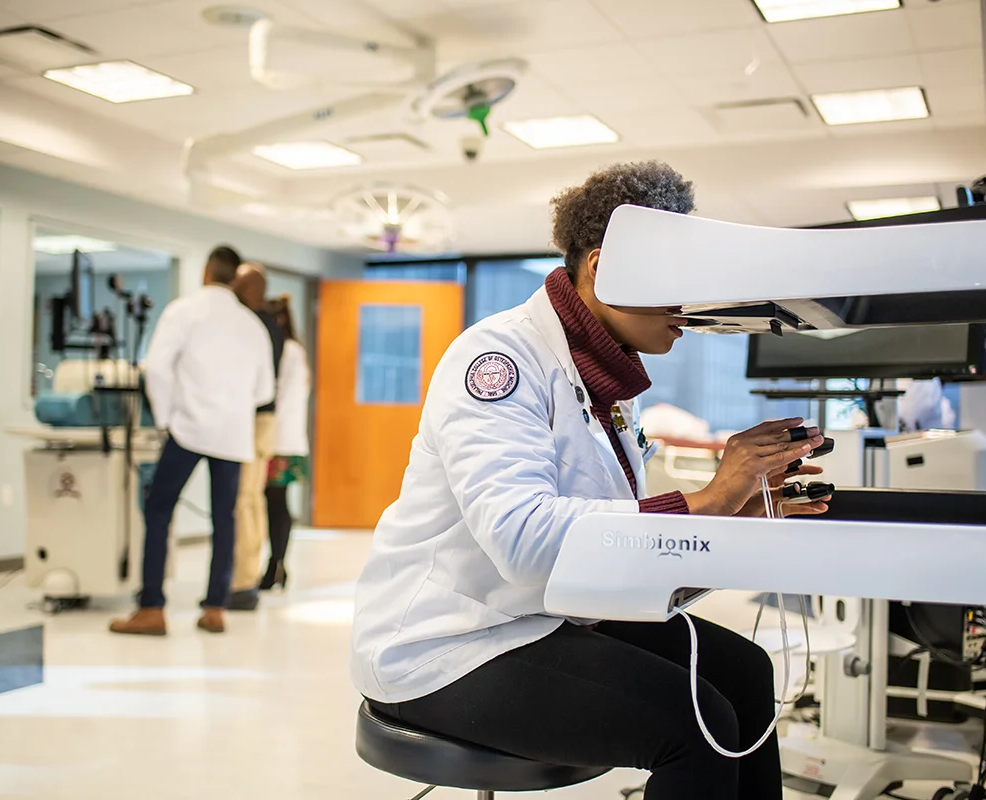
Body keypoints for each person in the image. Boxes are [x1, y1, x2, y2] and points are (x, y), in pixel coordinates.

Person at [350, 162, 830, 800]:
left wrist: (734, 520)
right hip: (448, 643)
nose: (688, 305)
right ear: (602, 269)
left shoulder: (606, 377)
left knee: (745, 672)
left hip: (546, 615)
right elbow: (523, 540)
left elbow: (612, 551)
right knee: (699, 722)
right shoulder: (498, 360)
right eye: (674, 281)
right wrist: (709, 498)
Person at [110, 246, 275, 636]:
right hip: (233, 434)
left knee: (159, 510)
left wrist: (167, 417)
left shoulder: (183, 311)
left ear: (206, 271)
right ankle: (215, 608)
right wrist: (231, 408)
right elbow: (264, 389)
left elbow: (157, 370)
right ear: (234, 278)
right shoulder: (252, 324)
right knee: (225, 519)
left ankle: (152, 608)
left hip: (187, 429)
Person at [225, 263, 286, 611]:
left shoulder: (256, 325)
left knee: (245, 500)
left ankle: (242, 583)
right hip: (257, 420)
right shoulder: (265, 324)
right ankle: (242, 577)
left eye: (238, 286)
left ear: (252, 290)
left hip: (255, 420)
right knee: (252, 500)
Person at [259, 295, 311, 591]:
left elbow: (281, 398)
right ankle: (277, 564)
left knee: (276, 504)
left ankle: (276, 564)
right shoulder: (294, 351)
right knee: (276, 503)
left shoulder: (289, 352)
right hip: (286, 440)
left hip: (280, 441)